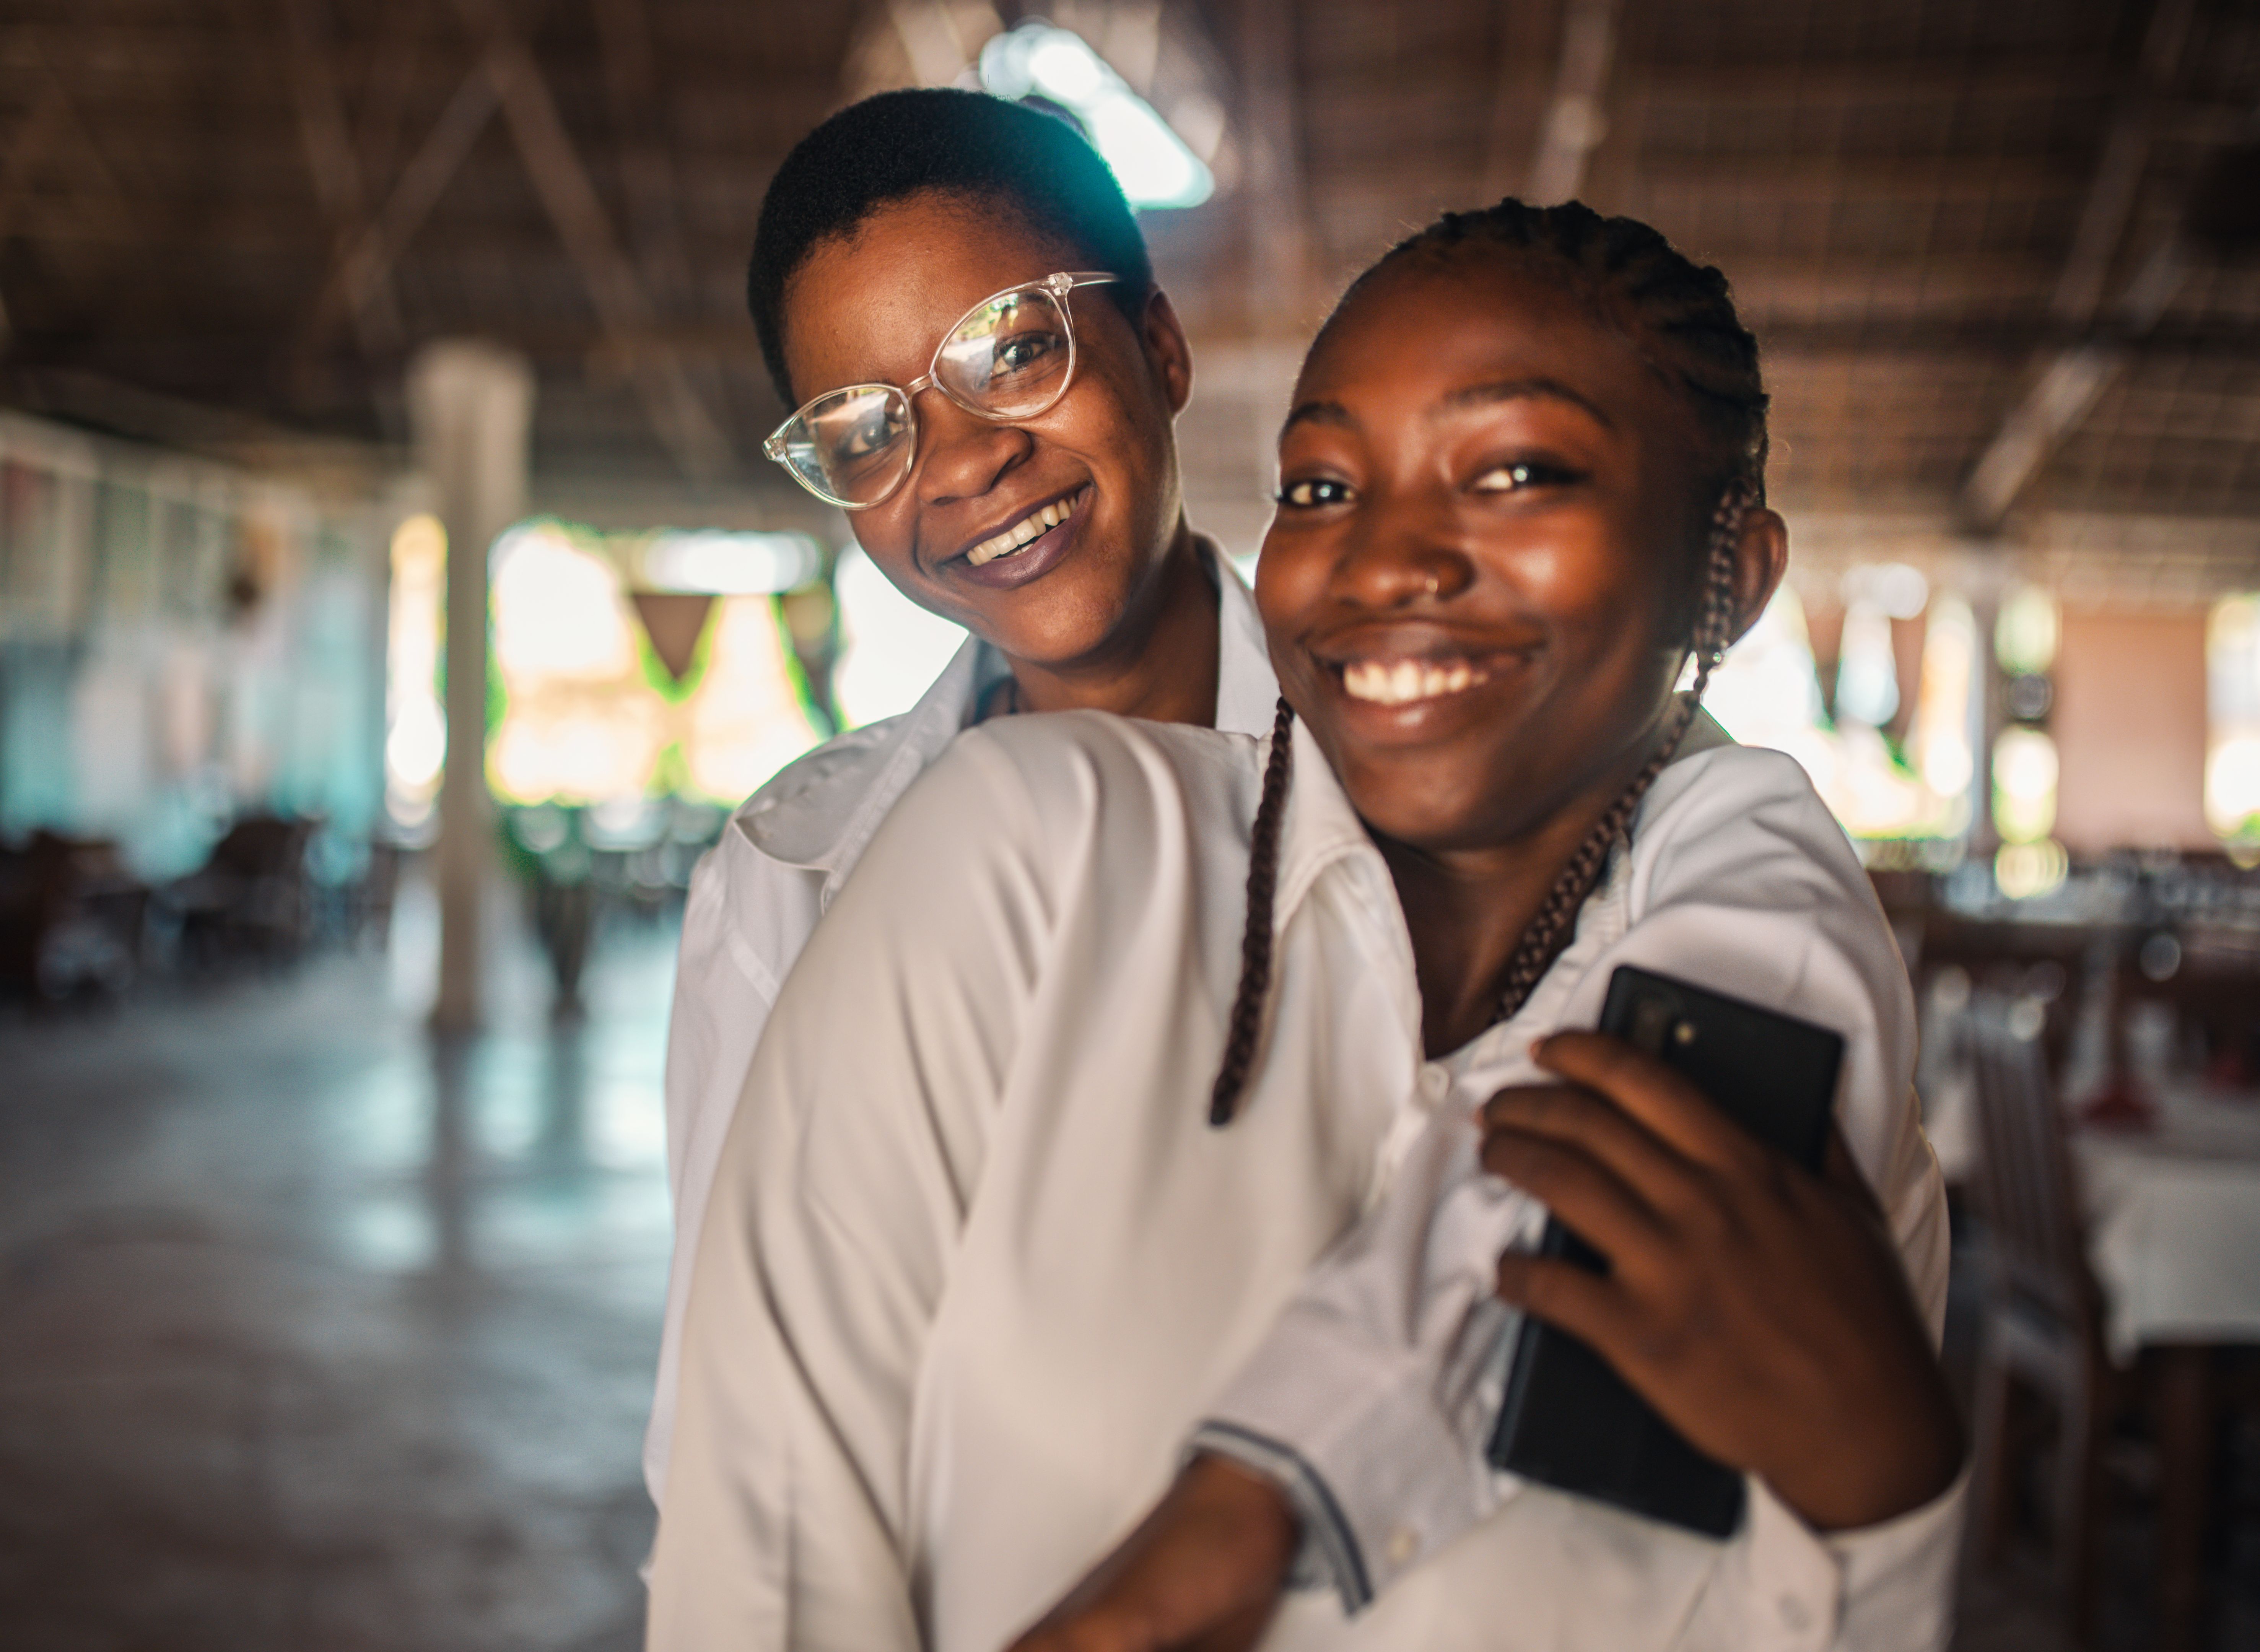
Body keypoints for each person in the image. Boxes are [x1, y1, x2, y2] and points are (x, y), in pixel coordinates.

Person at [648, 200, 1962, 1652]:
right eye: (1323, 489)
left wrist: (1889, 1505)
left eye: (1518, 471)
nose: (1394, 558)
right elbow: (754, 1527)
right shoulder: (1013, 846)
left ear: (1741, 574)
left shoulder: (1765, 983)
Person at [644, 88, 1280, 1509]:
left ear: (1159, 347)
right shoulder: (796, 879)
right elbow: (731, 1433)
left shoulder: (1424, 790)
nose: (966, 460)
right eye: (866, 430)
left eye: (1013, 349)